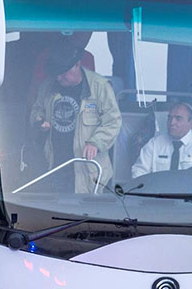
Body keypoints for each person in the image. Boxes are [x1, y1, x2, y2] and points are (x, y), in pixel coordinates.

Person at [25, 44, 121, 193]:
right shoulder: (48, 85)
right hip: (55, 165)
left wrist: (96, 142)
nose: (58, 77)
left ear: (77, 64)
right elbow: (37, 109)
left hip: (89, 171)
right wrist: (39, 121)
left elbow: (113, 121)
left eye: (63, 72)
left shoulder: (100, 86)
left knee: (87, 213)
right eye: (56, 73)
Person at [131, 102, 192, 177]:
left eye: (178, 118)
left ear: (191, 123)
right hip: (160, 198)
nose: (172, 122)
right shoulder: (155, 143)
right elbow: (139, 171)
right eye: (170, 118)